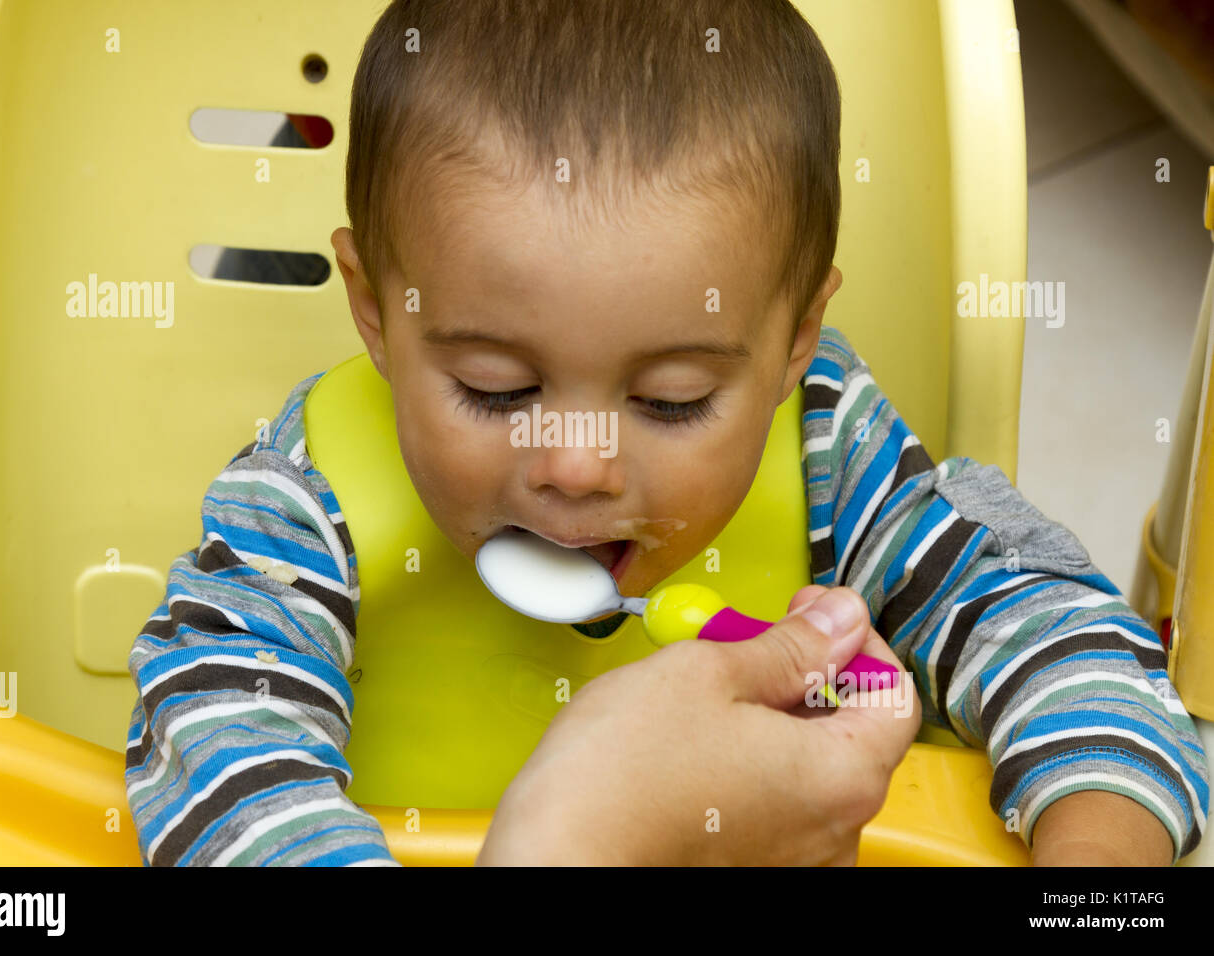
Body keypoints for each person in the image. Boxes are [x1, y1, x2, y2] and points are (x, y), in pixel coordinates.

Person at [125, 0, 1208, 866]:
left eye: (673, 400)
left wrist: (1097, 856)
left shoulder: (829, 447)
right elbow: (210, 737)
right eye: (495, 386)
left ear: (794, 339)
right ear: (375, 307)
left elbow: (1047, 612)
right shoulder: (308, 498)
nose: (574, 466)